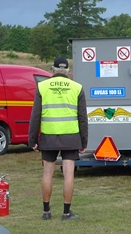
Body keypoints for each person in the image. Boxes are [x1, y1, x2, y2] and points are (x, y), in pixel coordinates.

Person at [28, 57, 88, 221]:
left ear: (52, 69)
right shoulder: (77, 87)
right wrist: (84, 141)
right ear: (68, 71)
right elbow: (83, 117)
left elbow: (35, 116)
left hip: (49, 136)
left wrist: (32, 140)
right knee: (69, 174)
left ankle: (46, 212)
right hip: (71, 136)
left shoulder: (42, 86)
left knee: (48, 173)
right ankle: (66, 212)